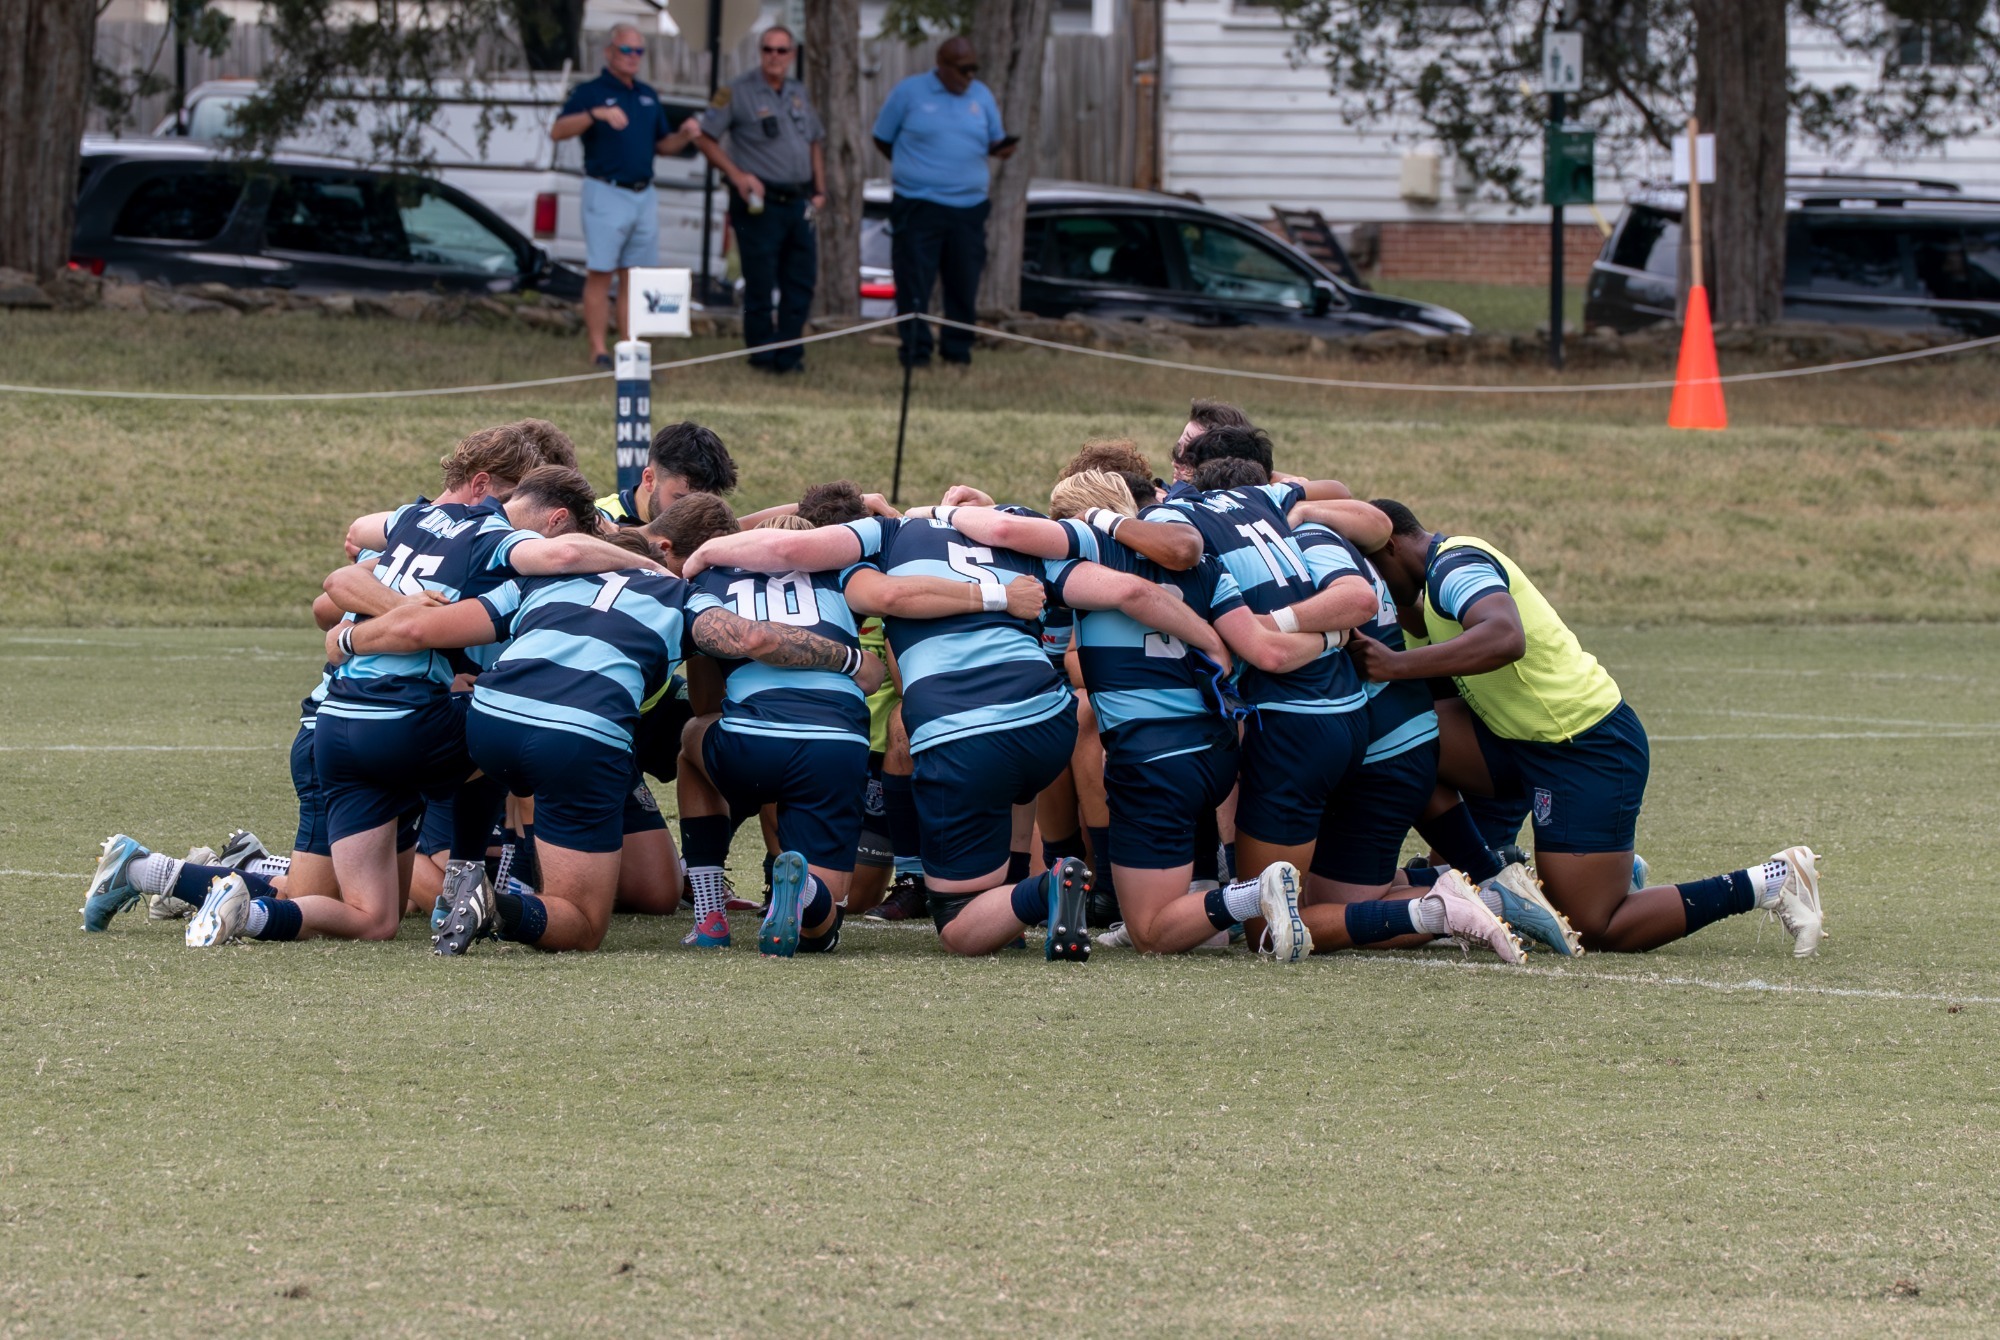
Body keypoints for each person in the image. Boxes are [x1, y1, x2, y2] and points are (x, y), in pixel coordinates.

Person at [1352, 499, 1826, 956]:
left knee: (1593, 925)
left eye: (1372, 574)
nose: (1374, 590)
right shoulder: (1424, 591)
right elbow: (1429, 653)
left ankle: (1771, 881)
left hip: (1585, 746)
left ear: (1391, 545)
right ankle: (1490, 871)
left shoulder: (1454, 565)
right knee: (1402, 739)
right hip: (1519, 744)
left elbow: (1505, 636)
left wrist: (1395, 664)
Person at [551, 26, 703, 369]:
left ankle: (630, 349)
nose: (633, 57)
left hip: (642, 194)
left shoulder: (647, 95)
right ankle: (598, 350)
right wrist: (595, 114)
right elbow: (558, 131)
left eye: (638, 51)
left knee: (635, 278)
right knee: (601, 273)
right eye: (626, 50)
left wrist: (684, 136)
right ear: (609, 52)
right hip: (606, 190)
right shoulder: (591, 92)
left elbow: (662, 145)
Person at [872, 36, 1015, 369]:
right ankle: (916, 352)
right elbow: (882, 138)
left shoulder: (981, 95)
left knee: (963, 282)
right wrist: (917, 170)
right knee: (914, 281)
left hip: (969, 208)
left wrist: (1003, 149)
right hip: (918, 205)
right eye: (963, 69)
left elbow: (995, 139)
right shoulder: (909, 92)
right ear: (942, 64)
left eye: (973, 69)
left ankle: (957, 352)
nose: (969, 76)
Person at [692, 25, 825, 375]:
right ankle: (762, 355)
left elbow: (814, 141)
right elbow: (705, 138)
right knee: (761, 281)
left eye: (782, 50)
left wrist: (820, 190)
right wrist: (737, 176)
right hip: (759, 202)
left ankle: (789, 353)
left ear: (792, 55)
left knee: (800, 281)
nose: (774, 57)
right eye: (768, 49)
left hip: (798, 200)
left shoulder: (798, 91)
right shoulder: (736, 91)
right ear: (760, 52)